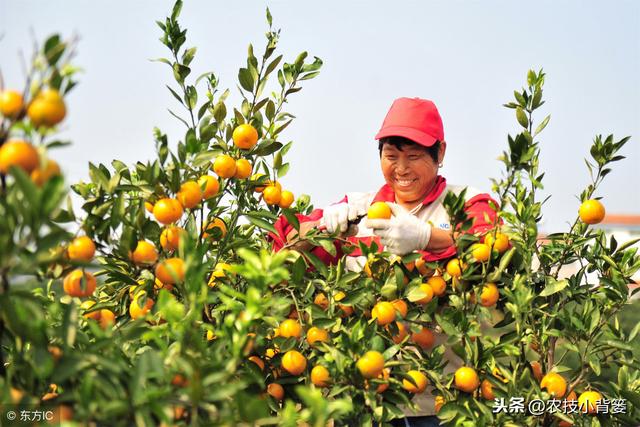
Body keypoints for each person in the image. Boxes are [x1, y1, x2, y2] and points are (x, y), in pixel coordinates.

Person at [269, 97, 499, 426]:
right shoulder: (358, 208)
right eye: (391, 156)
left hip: (438, 404)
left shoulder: (466, 202)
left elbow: (490, 244)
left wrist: (425, 238)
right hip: (362, 401)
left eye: (414, 156)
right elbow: (280, 249)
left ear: (441, 153)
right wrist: (319, 230)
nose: (401, 169)